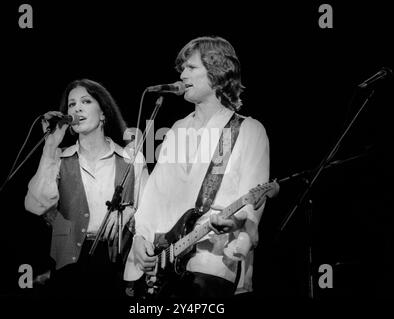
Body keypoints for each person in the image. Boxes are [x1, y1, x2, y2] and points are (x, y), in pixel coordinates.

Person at [125, 36, 270, 298]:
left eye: (191, 68)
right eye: (182, 68)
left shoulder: (247, 130)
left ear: (217, 72)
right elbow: (155, 194)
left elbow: (253, 203)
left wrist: (236, 220)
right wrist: (140, 238)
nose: (182, 74)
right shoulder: (177, 130)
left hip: (211, 262)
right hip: (159, 264)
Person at [25, 79, 149, 298]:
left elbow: (151, 215)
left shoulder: (132, 160)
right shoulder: (59, 159)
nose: (77, 108)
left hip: (118, 263)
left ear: (103, 113)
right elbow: (36, 205)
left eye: (85, 101)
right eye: (71, 105)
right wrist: (50, 147)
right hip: (69, 267)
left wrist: (131, 213)